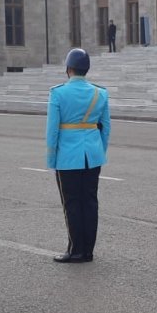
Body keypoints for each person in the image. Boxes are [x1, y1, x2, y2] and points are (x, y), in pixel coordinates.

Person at [46, 48, 111, 262]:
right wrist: (99, 151)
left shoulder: (58, 93)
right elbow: (106, 128)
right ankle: (89, 250)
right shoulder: (100, 93)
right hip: (92, 154)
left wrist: (51, 157)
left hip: (68, 156)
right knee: (90, 202)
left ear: (68, 69)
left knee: (72, 203)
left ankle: (76, 250)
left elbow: (52, 130)